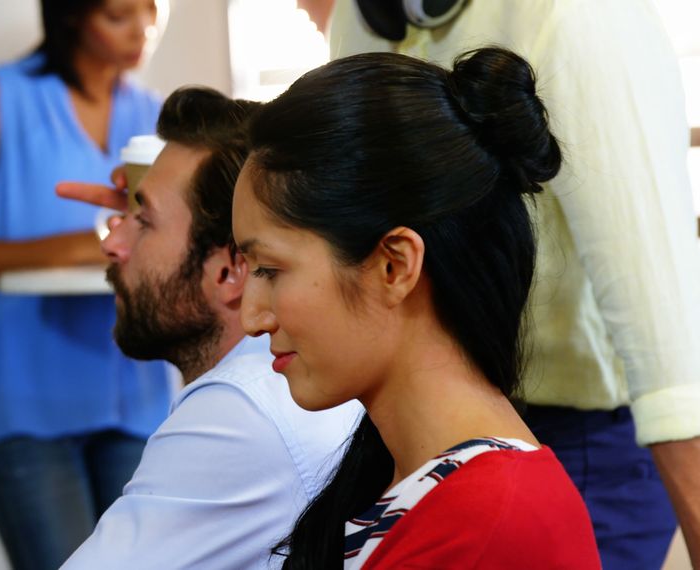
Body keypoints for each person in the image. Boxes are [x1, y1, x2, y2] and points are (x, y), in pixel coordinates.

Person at [296, 1, 700, 567]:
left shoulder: (582, 17)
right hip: (412, 430)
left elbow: (661, 314)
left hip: (581, 437)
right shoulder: (363, 19)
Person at [232, 48, 600, 568]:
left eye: (269, 270)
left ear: (395, 266)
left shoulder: (486, 524)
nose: (252, 318)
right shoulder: (414, 482)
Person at [56, 87, 361, 569]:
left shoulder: (239, 412)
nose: (112, 242)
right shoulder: (290, 377)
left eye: (142, 220)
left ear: (229, 272)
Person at [0, 1, 173, 568]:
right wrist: (85, 246)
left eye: (151, 11)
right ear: (71, 16)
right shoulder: (1, 96)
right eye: (117, 14)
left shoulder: (153, 113)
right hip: (27, 407)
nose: (141, 31)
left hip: (136, 401)